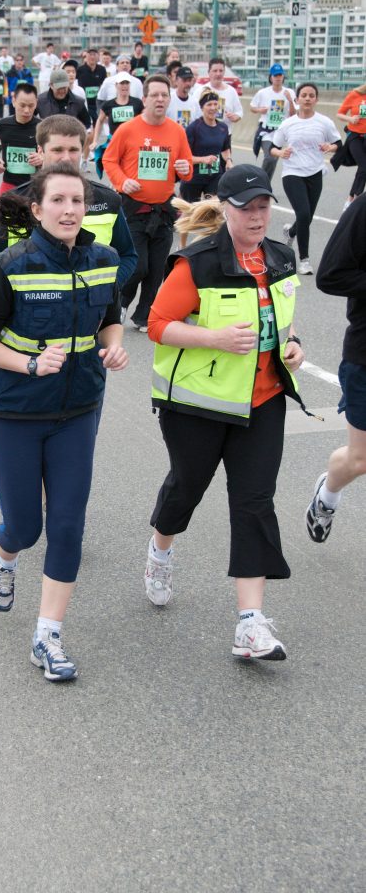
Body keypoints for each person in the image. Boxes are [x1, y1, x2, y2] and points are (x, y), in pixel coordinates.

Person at [0, 164, 128, 681]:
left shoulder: (103, 260)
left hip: (77, 410)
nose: (70, 210)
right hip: (11, 410)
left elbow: (110, 317)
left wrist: (115, 347)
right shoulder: (11, 265)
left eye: (77, 200)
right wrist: (29, 363)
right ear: (37, 209)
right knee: (26, 526)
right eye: (58, 200)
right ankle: (4, 551)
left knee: (67, 525)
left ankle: (48, 636)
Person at [146, 165, 306, 660]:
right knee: (186, 488)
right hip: (198, 405)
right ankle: (160, 550)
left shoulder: (280, 258)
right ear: (226, 208)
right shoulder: (197, 264)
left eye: (264, 206)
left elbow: (281, 324)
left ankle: (249, 624)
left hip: (263, 401)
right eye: (247, 208)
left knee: (255, 501)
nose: (258, 216)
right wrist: (212, 338)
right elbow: (157, 324)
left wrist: (293, 345)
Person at [0, 115, 137, 290]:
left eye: (73, 150)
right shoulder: (12, 202)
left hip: (90, 314)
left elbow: (127, 255)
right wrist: (3, 301)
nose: (66, 158)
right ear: (40, 151)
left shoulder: (107, 200)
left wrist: (107, 292)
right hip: (30, 315)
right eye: (57, 150)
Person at [102, 73, 193, 330]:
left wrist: (185, 168)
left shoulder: (177, 131)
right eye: (155, 95)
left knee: (156, 269)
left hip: (163, 209)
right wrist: (122, 182)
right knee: (137, 265)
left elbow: (186, 170)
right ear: (144, 99)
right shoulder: (128, 129)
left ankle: (144, 316)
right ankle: (120, 303)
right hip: (134, 207)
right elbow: (109, 160)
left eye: (165, 95)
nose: (160, 99)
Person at [305, 194, 366, 542]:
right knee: (360, 460)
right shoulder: (363, 210)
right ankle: (326, 497)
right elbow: (330, 275)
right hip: (365, 355)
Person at [269, 82, 341, 276]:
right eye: (304, 95)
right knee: (303, 214)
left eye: (311, 95)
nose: (307, 98)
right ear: (297, 99)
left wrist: (329, 147)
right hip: (292, 174)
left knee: (306, 217)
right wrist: (281, 152)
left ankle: (291, 232)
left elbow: (338, 143)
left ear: (316, 99)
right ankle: (304, 260)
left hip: (315, 173)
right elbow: (272, 148)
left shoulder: (324, 122)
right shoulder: (288, 123)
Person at [0, 82, 42, 194]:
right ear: (13, 101)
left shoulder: (43, 126)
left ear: (36, 103)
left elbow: (53, 151)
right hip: (9, 184)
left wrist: (42, 158)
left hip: (35, 185)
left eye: (31, 106)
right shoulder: (0, 124)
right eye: (22, 105)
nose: (27, 110)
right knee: (2, 211)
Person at [181, 90, 233, 203]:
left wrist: (228, 160)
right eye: (209, 104)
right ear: (202, 107)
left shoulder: (223, 128)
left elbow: (225, 149)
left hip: (215, 177)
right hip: (193, 178)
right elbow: (185, 157)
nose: (213, 108)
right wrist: (203, 160)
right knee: (191, 215)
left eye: (215, 104)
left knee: (214, 213)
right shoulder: (193, 128)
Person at [249, 64, 296, 182]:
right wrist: (260, 110)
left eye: (280, 75)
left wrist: (290, 100)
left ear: (283, 76)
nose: (278, 78)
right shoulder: (263, 92)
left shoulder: (289, 92)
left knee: (274, 158)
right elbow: (252, 107)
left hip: (281, 132)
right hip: (267, 130)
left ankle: (264, 183)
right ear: (270, 77)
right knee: (270, 157)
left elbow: (293, 114)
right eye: (275, 75)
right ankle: (262, 182)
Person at [92, 72, 143, 149]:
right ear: (116, 85)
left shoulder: (138, 103)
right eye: (122, 83)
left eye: (127, 83)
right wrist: (95, 141)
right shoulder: (108, 105)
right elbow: (99, 120)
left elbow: (145, 120)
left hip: (133, 143)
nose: (125, 86)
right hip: (114, 142)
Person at [335, 83, 366, 208]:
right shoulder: (355, 94)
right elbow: (339, 113)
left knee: (363, 168)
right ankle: (355, 200)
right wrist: (350, 119)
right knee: (364, 166)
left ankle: (351, 199)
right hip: (354, 136)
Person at [193, 57, 243, 132]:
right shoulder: (200, 91)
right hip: (204, 133)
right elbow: (193, 113)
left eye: (221, 71)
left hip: (224, 134)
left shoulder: (231, 91)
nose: (218, 74)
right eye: (215, 71)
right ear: (209, 72)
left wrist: (236, 117)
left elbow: (239, 111)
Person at [76, 48, 106, 126]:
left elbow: (104, 85)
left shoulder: (102, 70)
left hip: (97, 102)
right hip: (84, 102)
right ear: (86, 56)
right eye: (90, 55)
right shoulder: (80, 70)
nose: (92, 57)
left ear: (98, 57)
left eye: (94, 55)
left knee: (97, 123)